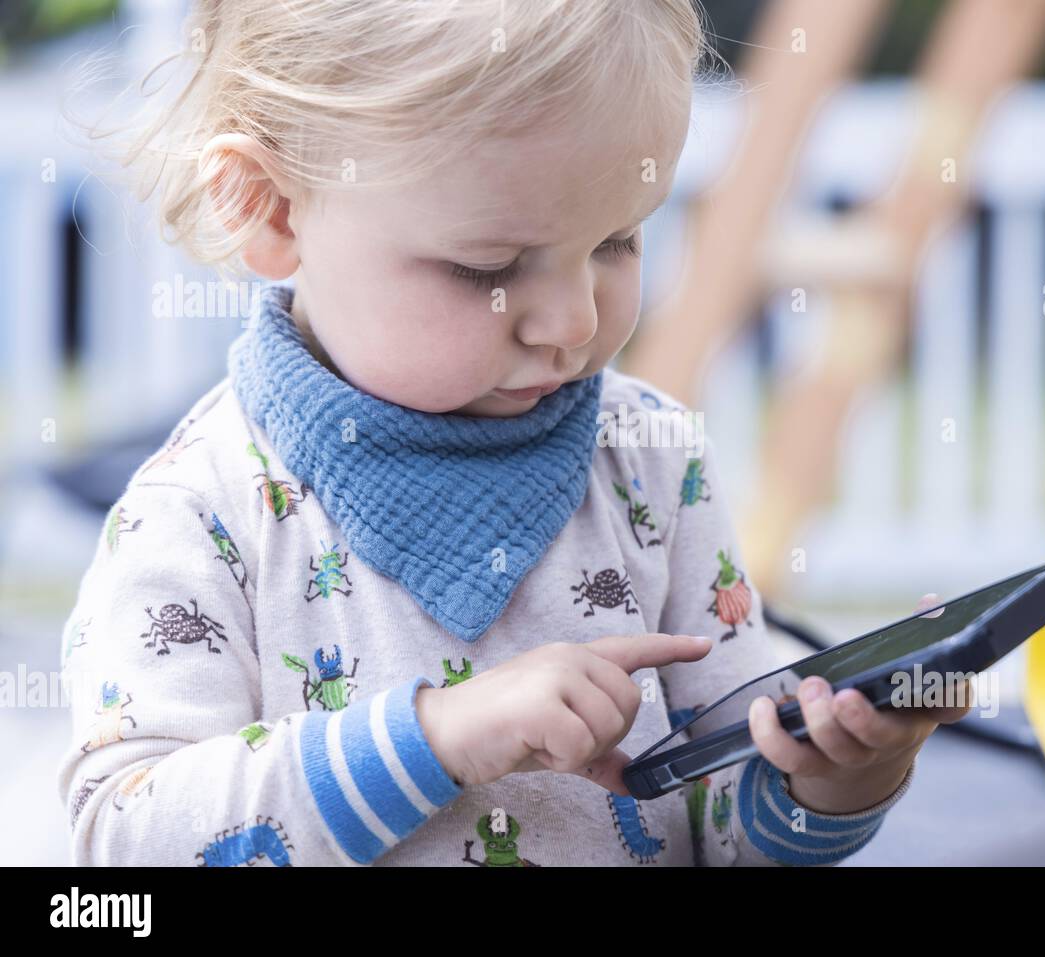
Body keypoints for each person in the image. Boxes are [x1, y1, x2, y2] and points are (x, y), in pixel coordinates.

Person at [56, 0, 968, 867]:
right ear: (271, 208)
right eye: (485, 266)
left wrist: (837, 778)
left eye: (617, 241)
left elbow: (720, 823)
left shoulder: (653, 461)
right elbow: (129, 843)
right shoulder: (202, 513)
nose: (571, 321)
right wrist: (436, 739)